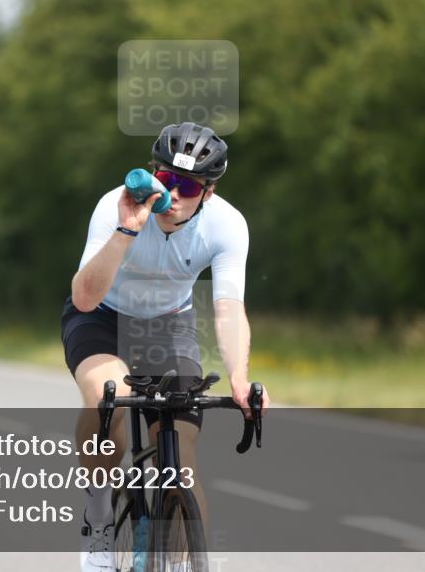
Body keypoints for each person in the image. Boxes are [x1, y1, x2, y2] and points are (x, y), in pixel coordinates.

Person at [63, 122, 270, 571]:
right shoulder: (114, 205)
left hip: (169, 325)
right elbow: (84, 297)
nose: (172, 195)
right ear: (152, 173)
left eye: (188, 187)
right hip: (103, 317)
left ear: (209, 192)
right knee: (107, 399)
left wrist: (239, 378)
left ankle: (182, 559)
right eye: (166, 179)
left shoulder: (227, 225)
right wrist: (127, 230)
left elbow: (229, 309)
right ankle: (98, 512)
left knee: (181, 452)